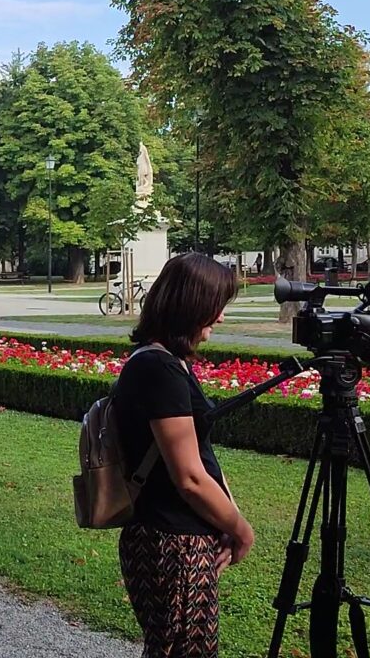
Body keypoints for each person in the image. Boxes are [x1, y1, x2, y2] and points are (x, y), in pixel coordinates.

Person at [115, 252, 251, 657]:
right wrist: (242, 530)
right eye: (216, 306)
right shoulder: (160, 370)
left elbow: (200, 454)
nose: (220, 318)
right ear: (191, 305)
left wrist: (226, 514)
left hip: (173, 538)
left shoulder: (165, 362)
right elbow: (189, 477)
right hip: (173, 543)